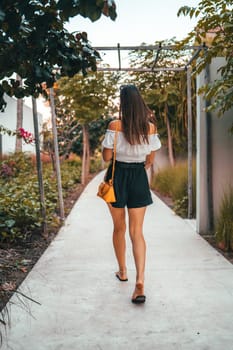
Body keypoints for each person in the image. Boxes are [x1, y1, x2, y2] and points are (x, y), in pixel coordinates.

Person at [101, 84, 161, 304]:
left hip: (116, 177)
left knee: (119, 227)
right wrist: (136, 168)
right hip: (138, 176)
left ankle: (123, 271)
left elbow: (107, 157)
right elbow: (150, 160)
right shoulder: (151, 128)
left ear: (123, 103)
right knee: (137, 231)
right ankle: (140, 281)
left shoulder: (115, 126)